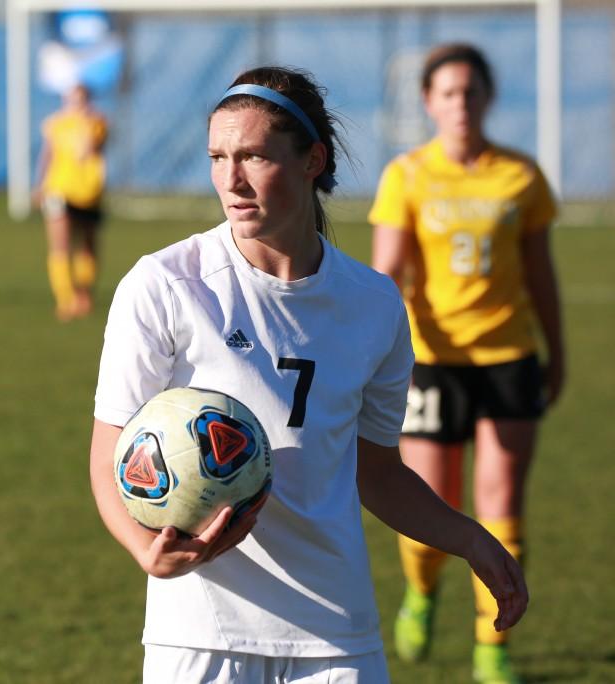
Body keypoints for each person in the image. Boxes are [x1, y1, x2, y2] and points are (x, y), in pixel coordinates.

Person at [89, 65, 528, 684]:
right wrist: (146, 551)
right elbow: (108, 451)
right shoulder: (165, 285)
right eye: (217, 157)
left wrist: (470, 538)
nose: (230, 179)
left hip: (335, 634)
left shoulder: (373, 305)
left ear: (311, 160)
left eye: (253, 156)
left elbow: (376, 473)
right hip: (200, 632)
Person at [369, 43, 563, 684]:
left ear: (488, 98)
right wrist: (371, 353)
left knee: (502, 500)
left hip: (509, 357)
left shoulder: (521, 175)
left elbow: (540, 273)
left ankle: (493, 645)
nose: (460, 103)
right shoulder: (407, 175)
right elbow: (384, 276)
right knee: (431, 506)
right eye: (448, 92)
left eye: (470, 91)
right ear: (428, 102)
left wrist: (555, 350)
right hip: (433, 363)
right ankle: (422, 593)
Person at [34, 83, 108, 321]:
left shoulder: (97, 122)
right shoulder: (55, 124)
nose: (76, 104)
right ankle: (65, 298)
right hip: (59, 189)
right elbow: (48, 153)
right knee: (60, 243)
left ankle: (84, 293)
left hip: (88, 191)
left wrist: (85, 121)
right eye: (72, 99)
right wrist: (40, 185)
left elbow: (87, 149)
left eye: (81, 99)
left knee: (86, 245)